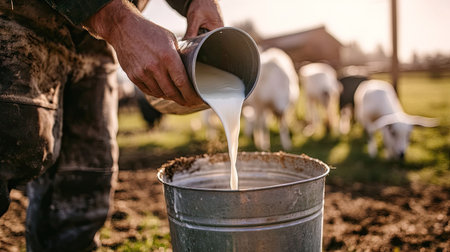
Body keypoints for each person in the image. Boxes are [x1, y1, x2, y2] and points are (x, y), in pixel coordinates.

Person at [0, 0, 223, 250]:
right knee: (11, 138)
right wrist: (117, 20)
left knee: (85, 180)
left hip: (97, 41)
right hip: (15, 14)